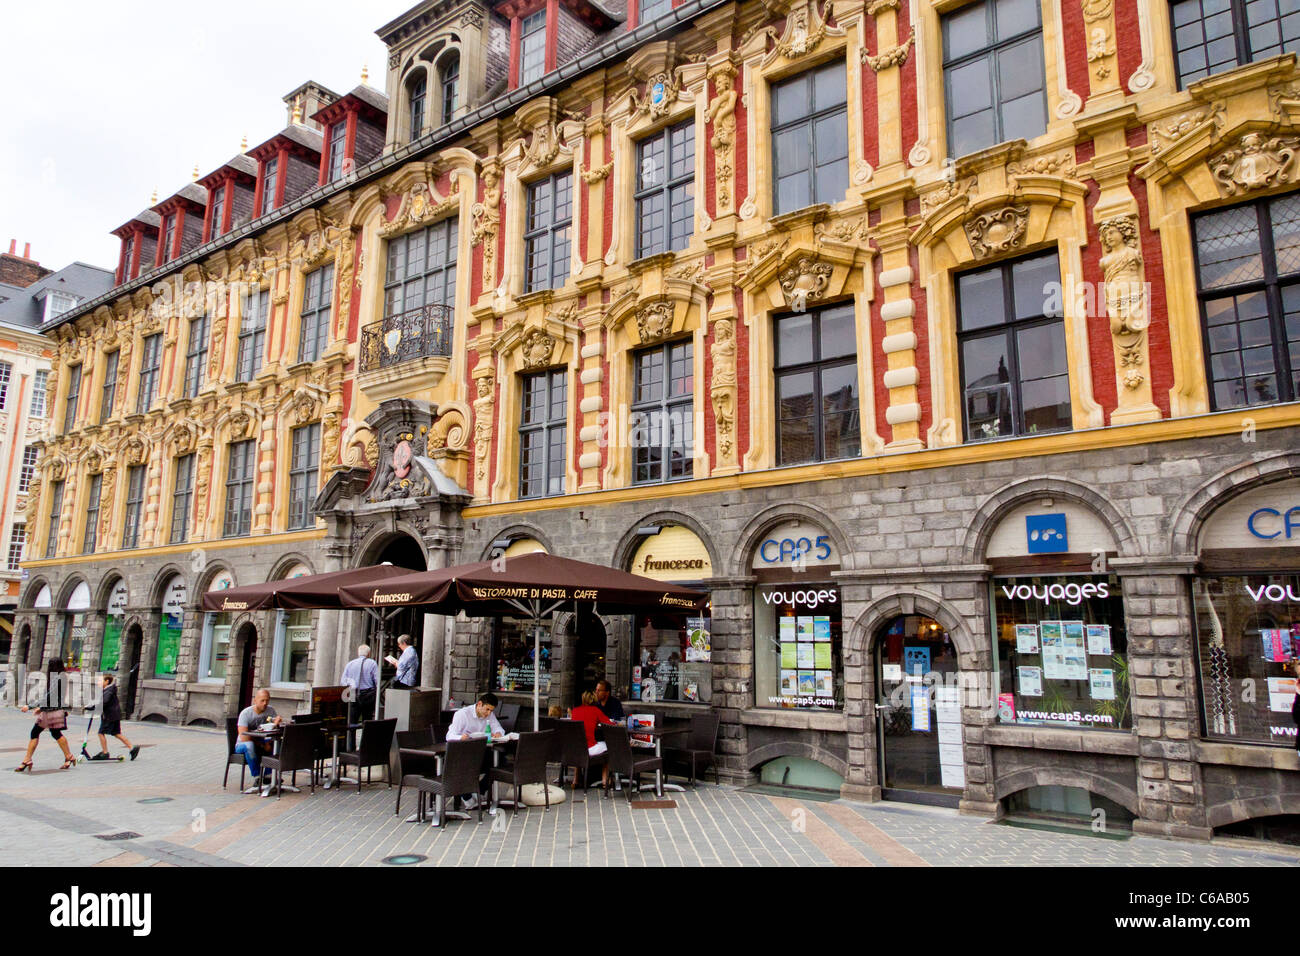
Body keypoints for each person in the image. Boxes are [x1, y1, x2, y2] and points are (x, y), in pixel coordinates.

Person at [444, 692, 504, 809]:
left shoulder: (489, 715)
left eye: (491, 711)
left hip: (480, 752)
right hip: (462, 753)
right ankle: (466, 796)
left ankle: (480, 790)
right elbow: (449, 735)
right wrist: (461, 737)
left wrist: (498, 733)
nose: (489, 713)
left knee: (501, 761)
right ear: (479, 704)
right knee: (467, 765)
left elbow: (498, 728)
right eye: (487, 710)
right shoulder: (462, 714)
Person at [15, 659, 75, 771]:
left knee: (39, 732)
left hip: (52, 711)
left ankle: (27, 760)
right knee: (53, 733)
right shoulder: (61, 676)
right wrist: (41, 708)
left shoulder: (57, 678)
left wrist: (30, 706)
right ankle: (68, 757)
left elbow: (49, 696)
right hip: (52, 709)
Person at [86, 673, 140, 761]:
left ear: (107, 681)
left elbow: (104, 702)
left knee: (101, 733)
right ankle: (132, 748)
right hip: (114, 715)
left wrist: (92, 707)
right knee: (116, 733)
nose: (98, 683)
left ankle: (105, 752)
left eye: (100, 681)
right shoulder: (108, 690)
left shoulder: (108, 690)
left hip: (109, 716)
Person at [235, 689, 282, 787]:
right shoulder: (246, 713)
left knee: (277, 742)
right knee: (249, 745)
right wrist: (262, 745)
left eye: (267, 700)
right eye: (262, 700)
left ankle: (268, 775)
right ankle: (257, 777)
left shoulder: (270, 710)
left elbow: (273, 728)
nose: (265, 703)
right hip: (242, 745)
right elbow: (243, 736)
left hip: (263, 740)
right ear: (255, 701)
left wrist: (276, 723)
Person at [570, 690, 612, 788]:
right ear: (594, 699)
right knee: (609, 746)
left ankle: (576, 779)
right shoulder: (595, 710)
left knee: (580, 745)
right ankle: (605, 780)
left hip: (575, 749)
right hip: (589, 748)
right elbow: (609, 724)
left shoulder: (575, 710)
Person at [341, 643, 379, 724]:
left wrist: (352, 683)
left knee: (352, 720)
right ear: (369, 653)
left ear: (358, 653)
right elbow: (377, 681)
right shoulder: (372, 663)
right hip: (368, 694)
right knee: (367, 720)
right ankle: (365, 736)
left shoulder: (350, 664)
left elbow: (343, 681)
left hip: (353, 693)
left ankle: (351, 736)